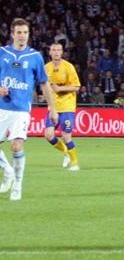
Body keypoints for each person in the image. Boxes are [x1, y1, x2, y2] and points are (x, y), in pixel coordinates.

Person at [0, 19, 60, 199]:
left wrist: (52, 109)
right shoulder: (2, 53)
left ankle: (17, 184)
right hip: (2, 107)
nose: (22, 36)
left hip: (21, 109)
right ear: (12, 34)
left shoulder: (35, 57)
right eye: (19, 32)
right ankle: (8, 170)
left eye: (25, 32)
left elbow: (44, 84)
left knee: (16, 145)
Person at [44, 41, 81, 171]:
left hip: (66, 106)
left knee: (66, 135)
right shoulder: (46, 68)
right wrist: (46, 95)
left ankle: (75, 164)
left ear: (62, 52)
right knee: (49, 135)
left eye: (58, 50)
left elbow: (76, 87)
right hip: (53, 107)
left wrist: (60, 89)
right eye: (53, 50)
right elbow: (45, 85)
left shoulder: (68, 67)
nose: (56, 52)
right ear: (50, 52)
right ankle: (66, 151)